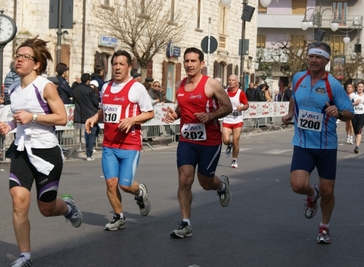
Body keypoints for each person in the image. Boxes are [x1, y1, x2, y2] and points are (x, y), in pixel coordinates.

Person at [0, 36, 83, 267]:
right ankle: (25, 256)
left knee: (46, 208)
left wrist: (33, 116)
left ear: (36, 64)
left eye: (25, 57)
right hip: (21, 150)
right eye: (17, 56)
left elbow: (62, 117)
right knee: (18, 200)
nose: (19, 60)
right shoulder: (14, 89)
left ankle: (68, 208)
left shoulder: (44, 86)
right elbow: (19, 119)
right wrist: (10, 126)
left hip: (46, 153)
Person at [282, 41, 354, 244]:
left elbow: (350, 113)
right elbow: (295, 98)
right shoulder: (298, 78)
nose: (314, 60)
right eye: (311, 56)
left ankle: (324, 227)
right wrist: (290, 113)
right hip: (303, 143)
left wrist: (338, 112)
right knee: (297, 185)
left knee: (328, 191)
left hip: (326, 146)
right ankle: (311, 194)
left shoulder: (334, 85)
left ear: (327, 60)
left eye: (319, 57)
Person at [164, 47, 232, 238]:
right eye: (187, 61)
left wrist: (210, 115)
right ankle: (185, 223)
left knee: (205, 182)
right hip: (187, 140)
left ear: (202, 64)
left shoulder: (211, 84)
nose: (189, 64)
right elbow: (181, 108)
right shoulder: (180, 84)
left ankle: (221, 186)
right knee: (184, 179)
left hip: (210, 141)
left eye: (193, 61)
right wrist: (174, 114)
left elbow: (228, 107)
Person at [85, 50, 153, 231]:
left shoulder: (136, 88)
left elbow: (150, 112)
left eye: (121, 64)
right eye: (114, 64)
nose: (117, 67)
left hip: (130, 144)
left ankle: (140, 191)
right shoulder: (106, 87)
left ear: (129, 67)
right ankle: (119, 216)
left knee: (125, 185)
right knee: (110, 183)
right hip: (109, 144)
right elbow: (104, 110)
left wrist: (132, 120)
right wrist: (94, 118)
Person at [222, 74, 249, 168]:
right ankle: (229, 146)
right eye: (229, 80)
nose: (230, 82)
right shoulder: (224, 92)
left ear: (237, 82)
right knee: (225, 140)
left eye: (233, 80)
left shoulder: (240, 93)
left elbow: (246, 105)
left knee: (236, 141)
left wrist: (241, 108)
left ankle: (234, 160)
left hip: (237, 120)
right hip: (227, 119)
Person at [73, 73, 99, 161]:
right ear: (88, 80)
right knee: (92, 133)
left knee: (89, 132)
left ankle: (88, 149)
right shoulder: (89, 90)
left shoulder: (76, 89)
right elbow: (95, 102)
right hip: (91, 114)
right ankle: (89, 153)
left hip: (80, 114)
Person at [351, 82, 364, 154]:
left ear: (363, 88)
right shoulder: (353, 95)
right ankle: (357, 144)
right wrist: (354, 103)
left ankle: (357, 146)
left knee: (359, 131)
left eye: (361, 87)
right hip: (354, 115)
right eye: (359, 86)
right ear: (357, 87)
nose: (360, 88)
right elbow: (347, 103)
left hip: (362, 114)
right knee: (356, 131)